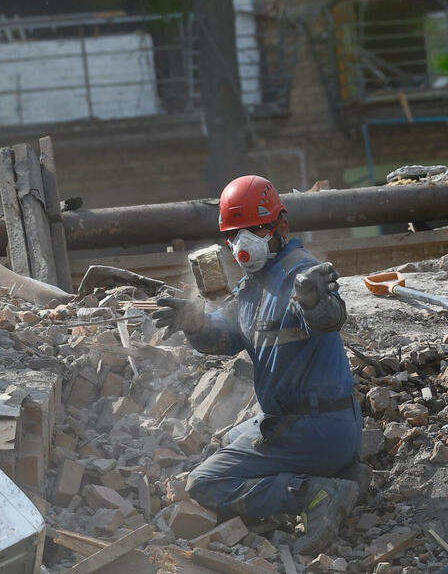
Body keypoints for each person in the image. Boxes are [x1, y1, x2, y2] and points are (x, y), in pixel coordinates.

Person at [152, 175, 364, 556]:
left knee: (204, 483)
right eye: (234, 234)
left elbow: (329, 318)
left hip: (316, 428)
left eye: (255, 229)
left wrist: (314, 300)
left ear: (281, 226)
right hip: (316, 424)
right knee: (233, 438)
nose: (242, 243)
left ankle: (317, 494)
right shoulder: (254, 285)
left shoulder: (303, 274)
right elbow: (225, 338)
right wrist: (195, 323)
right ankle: (341, 470)